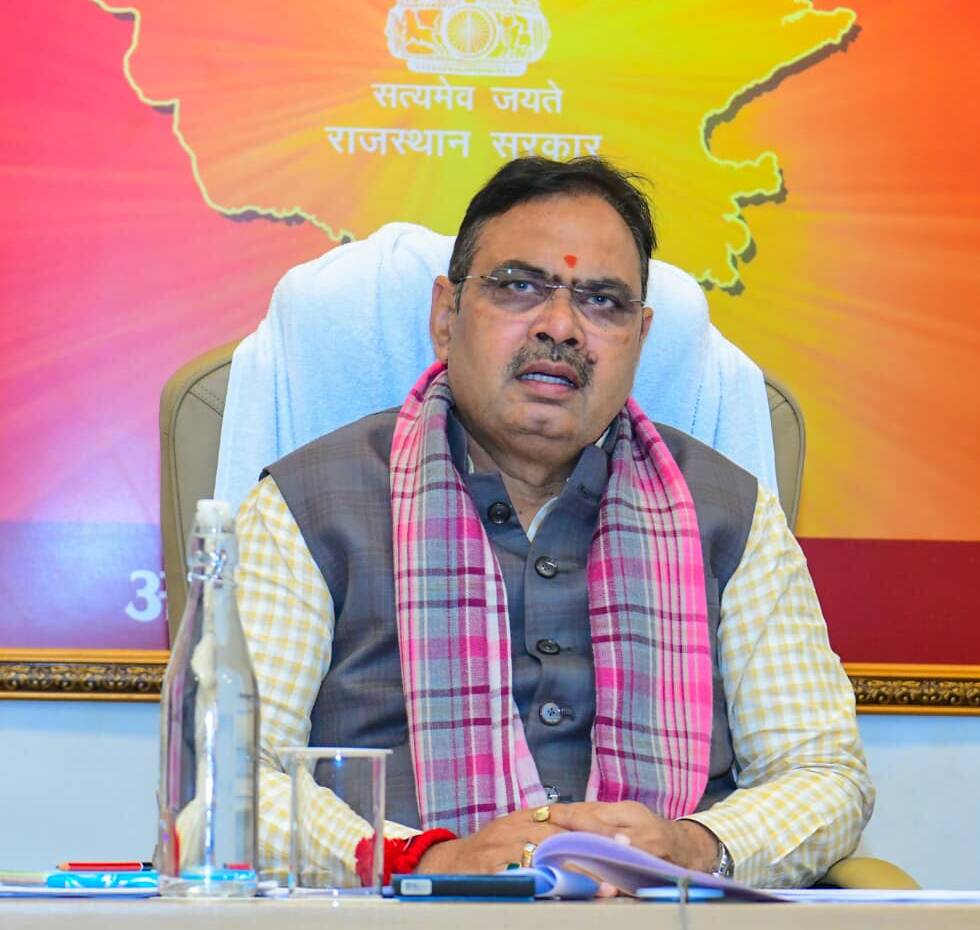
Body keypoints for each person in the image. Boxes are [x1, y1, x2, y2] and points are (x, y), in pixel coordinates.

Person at [235, 156, 874, 889]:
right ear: (446, 316)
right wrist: (432, 860)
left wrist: (690, 847)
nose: (562, 328)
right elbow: (231, 774)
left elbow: (824, 772)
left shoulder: (729, 513)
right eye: (519, 286)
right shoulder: (311, 505)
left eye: (603, 302)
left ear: (640, 337)